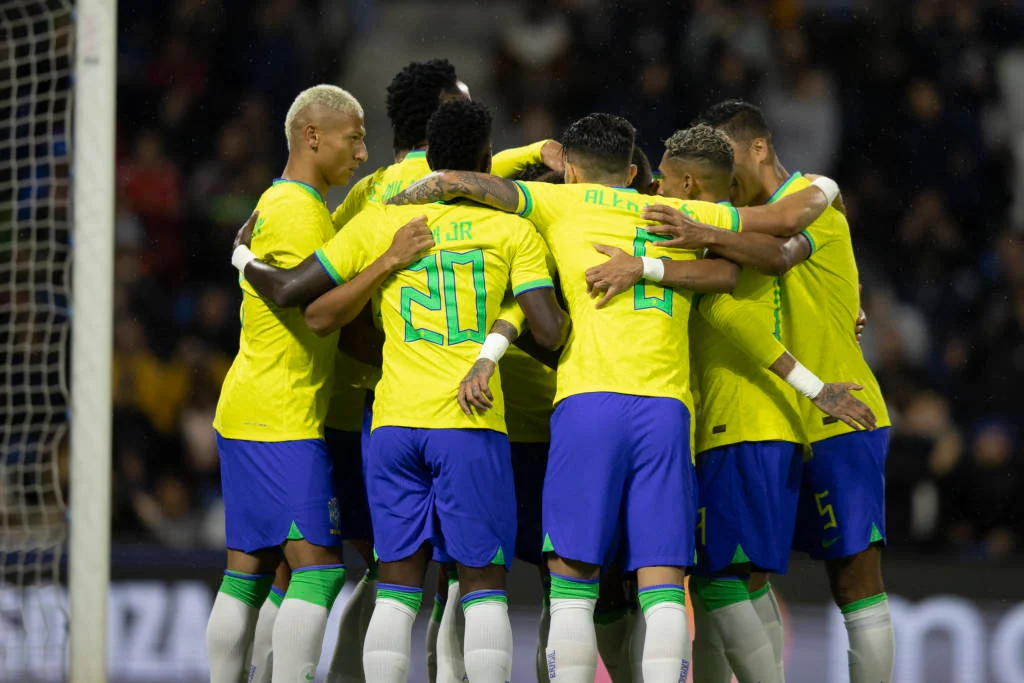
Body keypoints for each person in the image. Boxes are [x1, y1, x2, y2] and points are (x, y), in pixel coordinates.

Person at [389, 111, 839, 683]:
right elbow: (786, 218)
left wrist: (407, 198)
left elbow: (461, 181)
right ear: (632, 171)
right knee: (662, 586)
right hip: (666, 411)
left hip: (587, 405)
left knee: (574, 583)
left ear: (571, 171)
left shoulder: (556, 203)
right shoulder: (677, 212)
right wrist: (827, 192)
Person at [581, 123, 875, 683]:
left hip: (736, 423)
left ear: (688, 183)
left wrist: (817, 388)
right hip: (735, 425)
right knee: (734, 581)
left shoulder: (704, 234)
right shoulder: (738, 236)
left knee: (718, 582)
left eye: (663, 182)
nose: (655, 192)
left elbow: (729, 315)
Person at [654, 100, 895, 683]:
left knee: (854, 580)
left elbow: (784, 248)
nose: (721, 172)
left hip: (842, 411)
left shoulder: (812, 197)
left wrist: (700, 230)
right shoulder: (744, 217)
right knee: (745, 573)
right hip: (782, 415)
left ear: (757, 148)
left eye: (727, 157)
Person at [206, 84, 368, 683]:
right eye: (353, 138)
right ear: (312, 135)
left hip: (248, 407)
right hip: (282, 415)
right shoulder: (300, 212)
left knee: (247, 574)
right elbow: (317, 312)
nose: (361, 153)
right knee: (320, 572)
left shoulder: (280, 201)